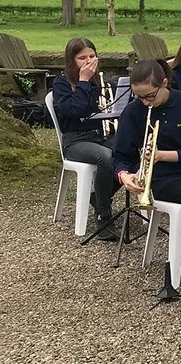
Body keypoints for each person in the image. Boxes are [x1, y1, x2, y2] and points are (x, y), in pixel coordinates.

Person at [112, 60, 181, 283]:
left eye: (149, 96)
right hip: (164, 178)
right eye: (139, 97)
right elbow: (120, 156)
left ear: (165, 83)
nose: (145, 102)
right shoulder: (133, 112)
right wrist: (124, 175)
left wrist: (162, 155)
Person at [51, 38, 118, 240]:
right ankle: (103, 215)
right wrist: (83, 81)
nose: (88, 62)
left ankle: (99, 197)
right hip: (76, 141)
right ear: (72, 61)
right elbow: (73, 110)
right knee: (107, 158)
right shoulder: (61, 83)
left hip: (102, 135)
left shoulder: (103, 82)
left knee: (130, 151)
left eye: (91, 56)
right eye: (82, 58)